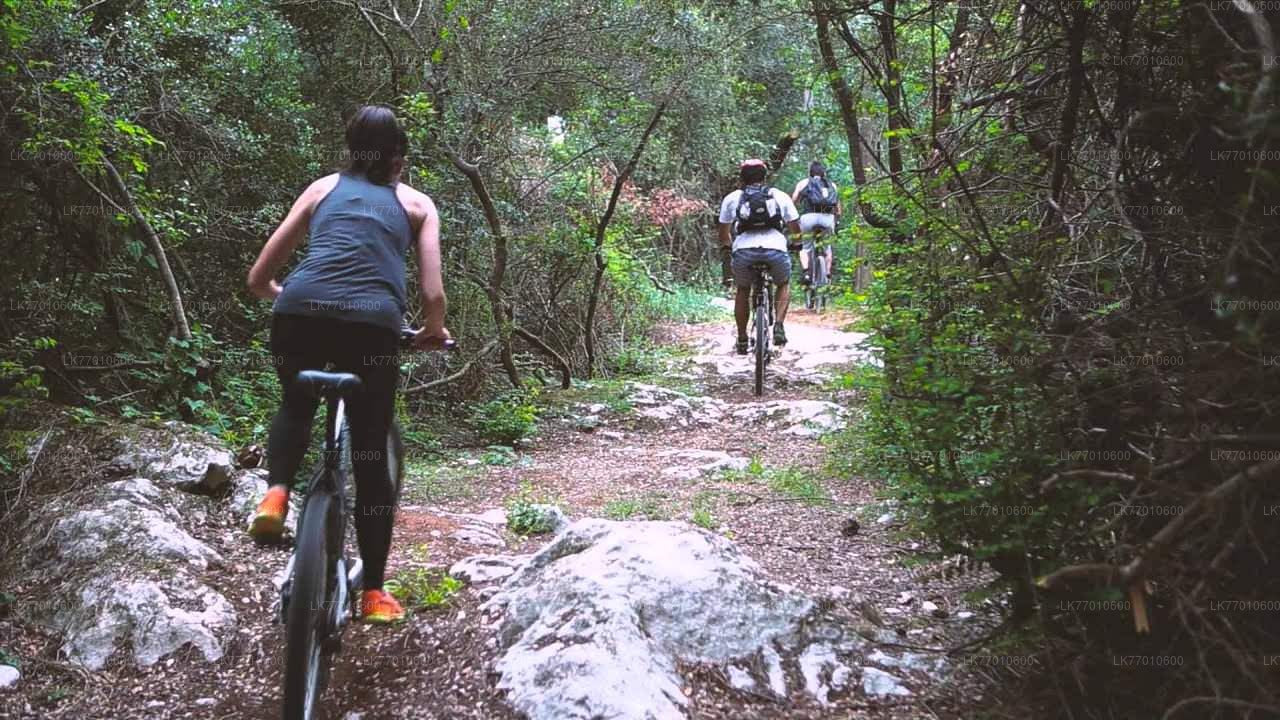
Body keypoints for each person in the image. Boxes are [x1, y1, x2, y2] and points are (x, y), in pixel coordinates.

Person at [246, 105, 451, 624]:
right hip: (372, 326)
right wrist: (432, 331)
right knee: (370, 452)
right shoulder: (417, 204)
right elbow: (432, 294)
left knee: (296, 401)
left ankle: (275, 497)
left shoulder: (322, 189)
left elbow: (259, 278)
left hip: (298, 313)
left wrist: (288, 297)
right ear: (399, 159)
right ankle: (374, 592)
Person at [718, 158, 801, 354]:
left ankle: (742, 338)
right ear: (764, 177)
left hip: (744, 251)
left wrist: (727, 247)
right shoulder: (779, 195)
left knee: (743, 290)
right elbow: (795, 227)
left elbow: (723, 233)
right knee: (783, 283)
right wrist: (797, 243)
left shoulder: (733, 198)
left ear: (742, 178)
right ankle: (779, 324)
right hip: (775, 249)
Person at [790, 161, 841, 285]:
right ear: (824, 173)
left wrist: (795, 214)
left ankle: (806, 272)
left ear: (810, 172)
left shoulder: (804, 183)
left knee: (804, 246)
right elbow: (838, 209)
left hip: (808, 217)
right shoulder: (832, 185)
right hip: (827, 218)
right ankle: (827, 274)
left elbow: (793, 201)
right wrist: (836, 220)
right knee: (828, 247)